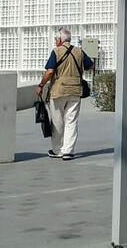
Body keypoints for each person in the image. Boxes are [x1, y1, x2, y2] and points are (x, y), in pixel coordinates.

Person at [36, 28, 93, 161]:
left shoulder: (56, 51)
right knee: (71, 121)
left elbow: (50, 72)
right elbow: (90, 66)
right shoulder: (79, 51)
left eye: (56, 39)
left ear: (60, 40)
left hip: (58, 91)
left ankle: (57, 150)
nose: (56, 42)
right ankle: (68, 151)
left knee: (57, 121)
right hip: (75, 91)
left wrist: (41, 85)